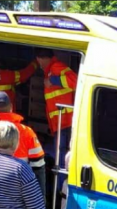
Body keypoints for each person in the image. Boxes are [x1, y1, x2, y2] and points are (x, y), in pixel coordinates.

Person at [35, 48, 77, 192]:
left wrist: (54, 80)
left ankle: (60, 191)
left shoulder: (56, 67)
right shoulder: (50, 70)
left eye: (39, 59)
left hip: (65, 122)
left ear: (44, 58)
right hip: (60, 124)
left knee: (61, 161)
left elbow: (75, 80)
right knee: (59, 159)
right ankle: (59, 190)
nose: (38, 63)